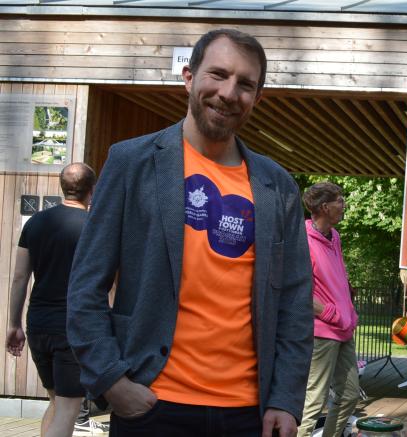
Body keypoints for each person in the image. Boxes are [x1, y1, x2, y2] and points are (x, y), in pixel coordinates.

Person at [66, 28, 312, 436]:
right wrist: (111, 380)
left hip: (249, 414)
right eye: (217, 74)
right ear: (188, 78)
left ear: (257, 98)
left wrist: (286, 400)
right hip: (151, 404)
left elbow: (294, 302)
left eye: (245, 84)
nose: (229, 93)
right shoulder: (132, 163)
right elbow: (85, 286)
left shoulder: (277, 185)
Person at [6, 163, 108, 437]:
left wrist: (13, 324)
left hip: (38, 324)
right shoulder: (94, 227)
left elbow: (19, 278)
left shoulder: (37, 222)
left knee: (56, 403)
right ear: (93, 189)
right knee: (67, 410)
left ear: (63, 187)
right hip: (72, 328)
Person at [298, 182, 361, 437]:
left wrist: (348, 309)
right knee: (313, 402)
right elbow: (299, 293)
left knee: (348, 396)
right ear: (324, 207)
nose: (344, 205)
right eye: (340, 201)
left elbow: (337, 277)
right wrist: (332, 313)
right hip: (323, 332)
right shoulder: (302, 241)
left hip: (344, 329)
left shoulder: (334, 236)